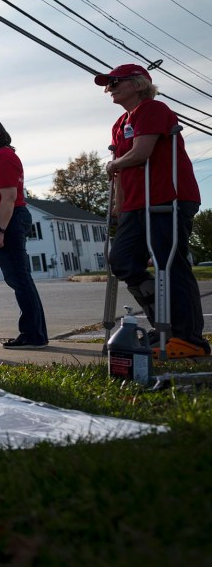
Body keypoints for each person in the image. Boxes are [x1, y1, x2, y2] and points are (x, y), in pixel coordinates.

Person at [99, 65, 209, 356]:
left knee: (169, 264)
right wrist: (118, 208)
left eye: (115, 82)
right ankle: (167, 325)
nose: (109, 87)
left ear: (138, 84)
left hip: (167, 198)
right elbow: (121, 172)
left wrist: (113, 163)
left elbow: (141, 152)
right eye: (107, 84)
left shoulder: (153, 109)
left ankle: (189, 340)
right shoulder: (120, 122)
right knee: (121, 260)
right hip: (136, 203)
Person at [0, 119, 49, 348]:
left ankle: (33, 335)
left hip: (9, 220)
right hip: (5, 220)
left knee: (19, 278)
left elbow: (8, 197)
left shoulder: (4, 156)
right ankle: (34, 333)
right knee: (18, 278)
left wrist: (0, 231)